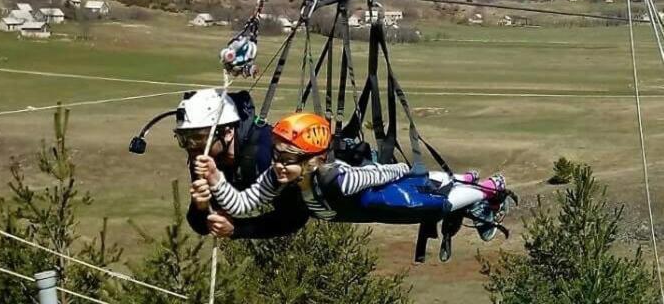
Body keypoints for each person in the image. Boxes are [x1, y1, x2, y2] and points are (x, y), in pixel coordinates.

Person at [195, 112, 509, 243]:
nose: (278, 165)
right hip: (351, 211)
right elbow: (242, 202)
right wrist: (215, 181)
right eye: (277, 156)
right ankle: (465, 178)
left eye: (289, 160)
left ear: (315, 160)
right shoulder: (277, 177)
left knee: (430, 203)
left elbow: (374, 175)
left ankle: (488, 189)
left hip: (378, 197)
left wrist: (404, 169)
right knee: (429, 194)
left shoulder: (336, 178)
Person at [176, 89, 309, 239]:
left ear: (228, 132)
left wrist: (237, 230)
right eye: (184, 139)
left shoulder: (265, 154)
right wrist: (201, 207)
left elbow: (295, 216)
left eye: (198, 138)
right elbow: (201, 225)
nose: (191, 146)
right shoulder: (204, 158)